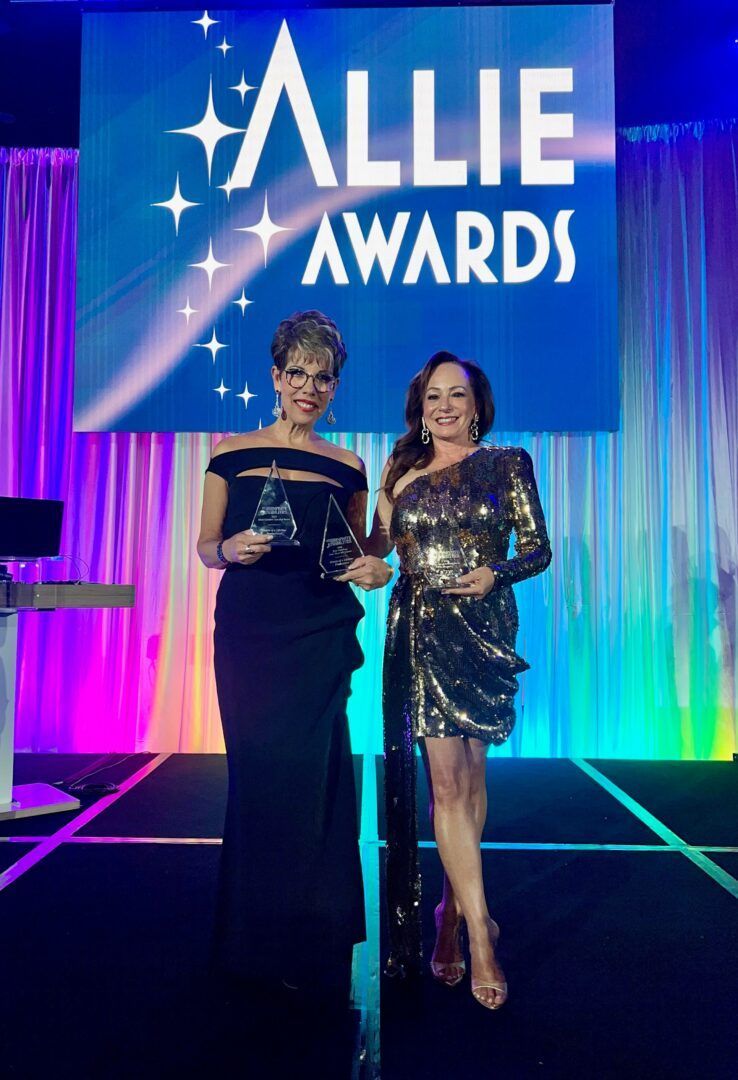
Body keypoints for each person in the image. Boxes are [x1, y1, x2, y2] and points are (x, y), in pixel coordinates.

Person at [197, 310, 393, 1000]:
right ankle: (255, 940)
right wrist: (232, 550)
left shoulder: (349, 466)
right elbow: (205, 545)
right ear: (276, 378)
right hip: (250, 637)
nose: (310, 387)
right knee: (259, 783)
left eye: (324, 377)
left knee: (318, 786)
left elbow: (365, 549)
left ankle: (314, 934)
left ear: (335, 386)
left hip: (319, 637)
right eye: (298, 374)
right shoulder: (230, 451)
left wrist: (379, 565)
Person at [366, 350, 551, 1010]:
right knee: (444, 782)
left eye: (457, 396)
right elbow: (378, 547)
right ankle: (479, 936)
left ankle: (447, 911)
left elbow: (538, 549)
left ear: (477, 406)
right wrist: (352, 556)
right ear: (421, 406)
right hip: (419, 631)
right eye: (433, 396)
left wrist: (495, 574)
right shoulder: (401, 469)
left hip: (484, 624)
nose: (444, 406)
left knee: (471, 782)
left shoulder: (508, 465)